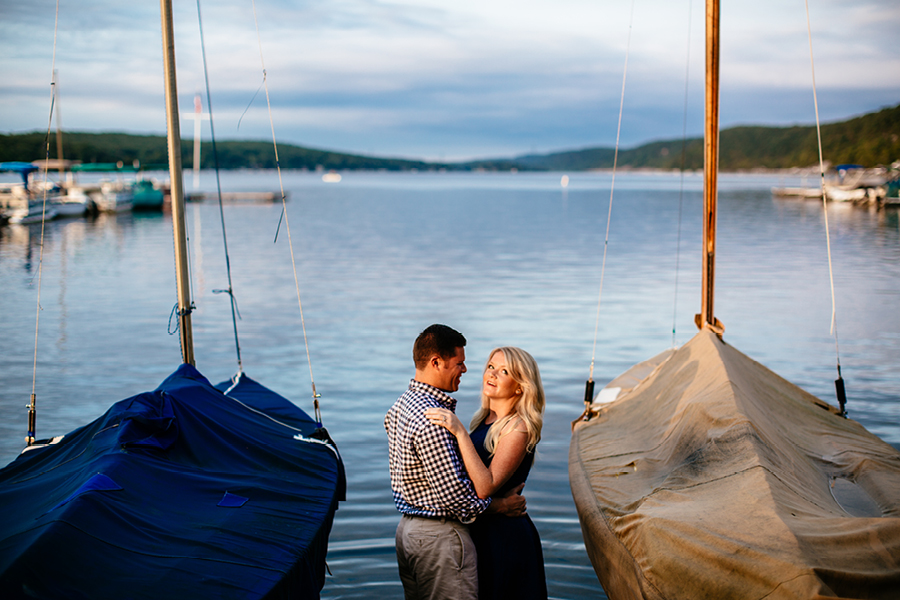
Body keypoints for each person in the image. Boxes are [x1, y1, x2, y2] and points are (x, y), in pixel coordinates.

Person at [385, 325, 527, 600]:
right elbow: (457, 499)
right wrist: (502, 505)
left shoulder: (401, 405)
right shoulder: (434, 420)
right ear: (436, 362)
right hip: (439, 538)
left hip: (408, 532)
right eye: (459, 363)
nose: (465, 370)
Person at [425, 346, 548, 600]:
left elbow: (485, 486)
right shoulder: (484, 422)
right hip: (482, 530)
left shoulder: (518, 427)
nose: (491, 375)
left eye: (504, 371)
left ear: (520, 387)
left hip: (505, 539)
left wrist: (458, 432)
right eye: (491, 367)